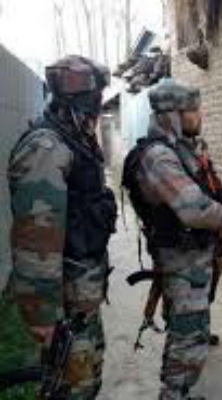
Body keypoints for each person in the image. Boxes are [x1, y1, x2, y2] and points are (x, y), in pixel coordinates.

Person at [6, 55, 116, 399]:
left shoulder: (76, 140)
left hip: (81, 300)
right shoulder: (47, 147)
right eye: (96, 97)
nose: (98, 106)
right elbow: (37, 240)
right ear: (83, 99)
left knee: (86, 380)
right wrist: (43, 317)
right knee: (72, 387)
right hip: (64, 308)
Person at [122, 80, 222, 400]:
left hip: (193, 259)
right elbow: (194, 209)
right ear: (173, 115)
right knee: (188, 341)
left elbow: (203, 186)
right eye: (193, 110)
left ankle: (178, 391)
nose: (199, 115)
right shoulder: (158, 157)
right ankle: (173, 394)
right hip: (181, 261)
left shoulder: (180, 149)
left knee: (188, 331)